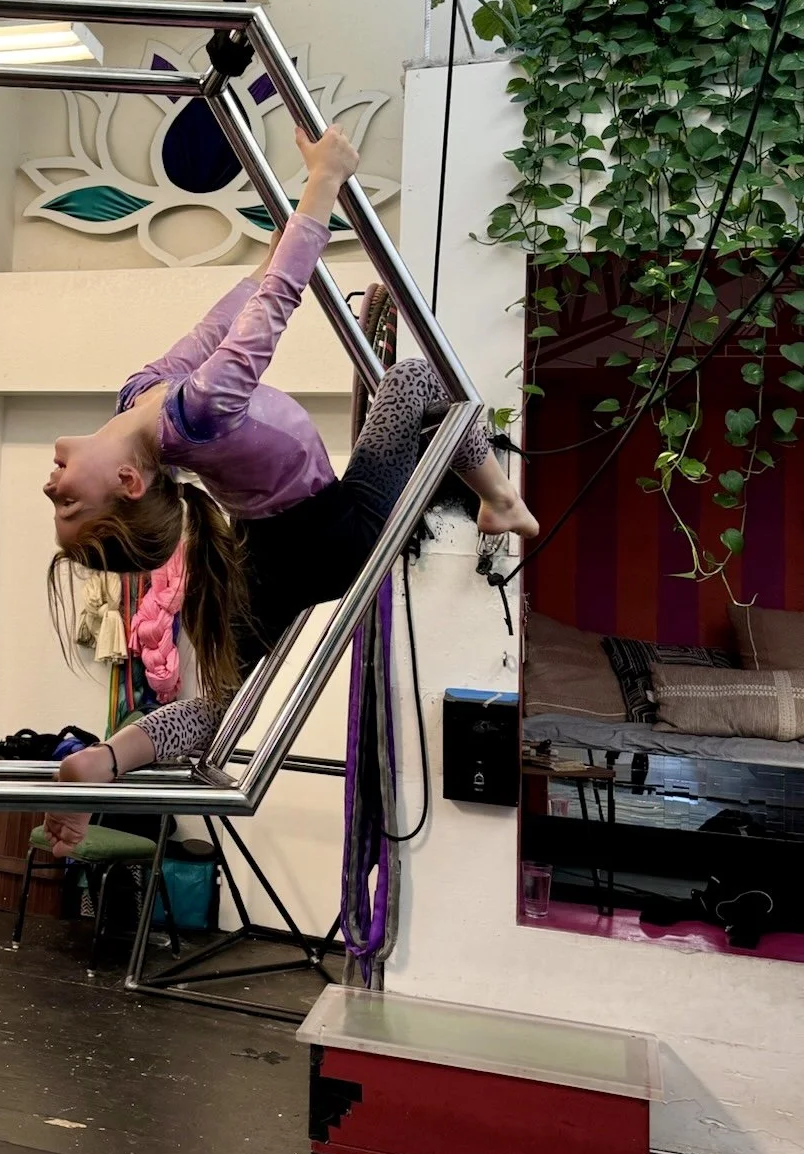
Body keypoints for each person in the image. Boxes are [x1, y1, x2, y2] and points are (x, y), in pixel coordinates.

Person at [42, 124, 535, 853]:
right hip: (329, 532)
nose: (49, 482)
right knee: (413, 379)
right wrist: (322, 185)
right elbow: (270, 309)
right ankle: (501, 499)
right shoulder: (197, 412)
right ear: (127, 481)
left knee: (214, 702)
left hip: (263, 549)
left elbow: (227, 312)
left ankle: (108, 757)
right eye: (66, 500)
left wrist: (288, 228)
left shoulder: (139, 394)